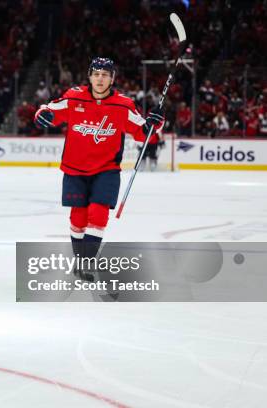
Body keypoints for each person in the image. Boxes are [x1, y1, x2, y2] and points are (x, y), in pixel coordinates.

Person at [34, 57, 164, 281]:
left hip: (107, 169)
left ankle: (87, 264)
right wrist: (42, 115)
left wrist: (155, 123)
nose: (100, 79)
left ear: (112, 78)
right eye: (96, 74)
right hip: (75, 169)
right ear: (90, 76)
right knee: (78, 217)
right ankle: (79, 261)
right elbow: (50, 111)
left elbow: (144, 133)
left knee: (98, 213)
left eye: (105, 75)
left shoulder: (123, 104)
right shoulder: (74, 97)